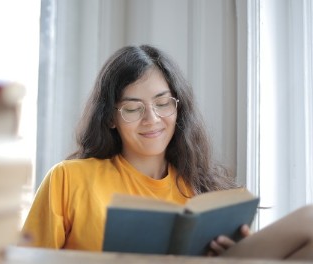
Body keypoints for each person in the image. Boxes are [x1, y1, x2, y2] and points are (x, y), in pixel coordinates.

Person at [21, 44, 313, 261]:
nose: (152, 119)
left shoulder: (201, 190)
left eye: (163, 103)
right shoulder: (69, 179)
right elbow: (26, 259)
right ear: (110, 117)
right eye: (133, 108)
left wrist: (231, 249)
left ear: (178, 107)